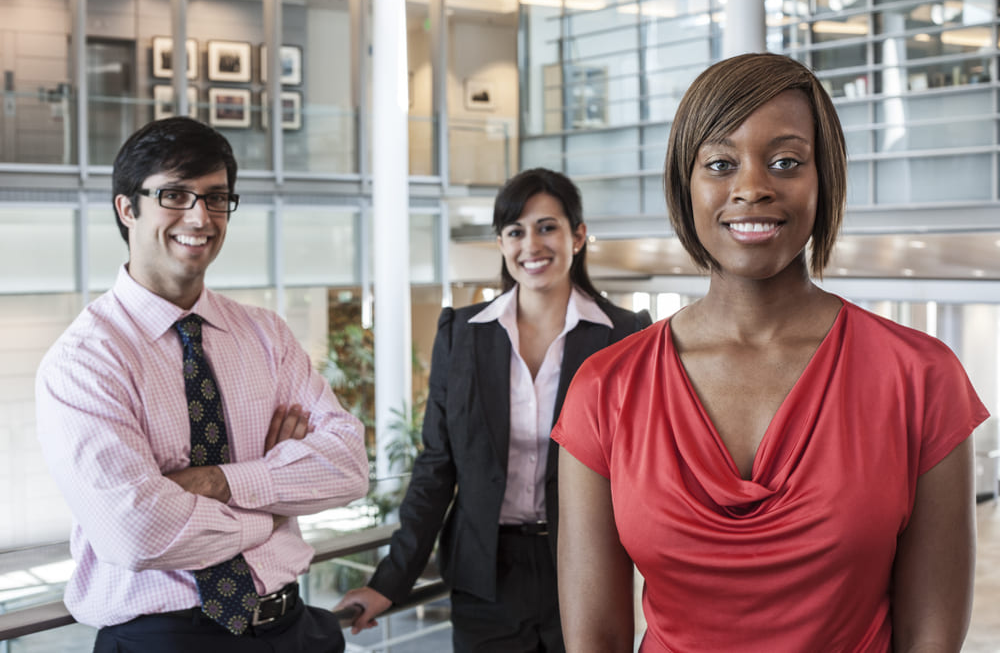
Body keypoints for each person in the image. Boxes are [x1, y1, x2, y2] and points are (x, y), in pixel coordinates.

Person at [553, 53, 991, 652]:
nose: (753, 186)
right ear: (687, 182)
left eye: (786, 161)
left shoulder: (920, 377)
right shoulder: (606, 389)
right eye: (721, 163)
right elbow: (595, 640)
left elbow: (930, 639)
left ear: (824, 178)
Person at [35, 116, 370, 653]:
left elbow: (349, 468)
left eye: (216, 198)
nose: (200, 216)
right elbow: (136, 533)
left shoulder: (266, 334)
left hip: (295, 629)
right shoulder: (84, 362)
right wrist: (274, 503)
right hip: (165, 639)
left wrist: (216, 482)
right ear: (127, 208)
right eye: (175, 194)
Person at [334, 168, 651, 651]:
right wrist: (388, 583)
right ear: (500, 243)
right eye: (515, 231)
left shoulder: (625, 336)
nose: (532, 245)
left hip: (586, 567)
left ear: (579, 236)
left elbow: (643, 467)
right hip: (484, 574)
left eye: (547, 227)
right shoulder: (461, 334)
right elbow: (436, 468)